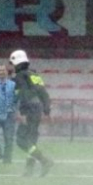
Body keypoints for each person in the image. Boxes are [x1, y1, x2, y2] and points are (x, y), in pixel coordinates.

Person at [9, 49, 54, 177]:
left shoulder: (19, 77)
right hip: (38, 108)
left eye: (13, 64)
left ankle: (45, 161)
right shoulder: (35, 75)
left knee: (21, 140)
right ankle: (29, 169)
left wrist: (22, 113)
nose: (12, 67)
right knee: (31, 140)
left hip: (28, 109)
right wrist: (47, 110)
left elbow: (23, 94)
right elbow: (43, 93)